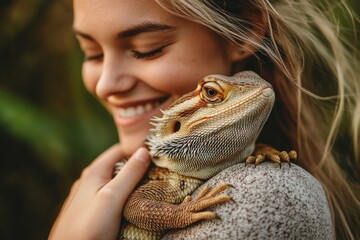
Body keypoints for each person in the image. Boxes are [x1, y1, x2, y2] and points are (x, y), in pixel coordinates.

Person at [49, 0, 360, 239]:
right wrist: (182, 214)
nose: (105, 85)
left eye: (148, 49)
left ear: (244, 33)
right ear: (174, 127)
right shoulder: (160, 179)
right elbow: (137, 207)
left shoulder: (269, 191)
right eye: (92, 54)